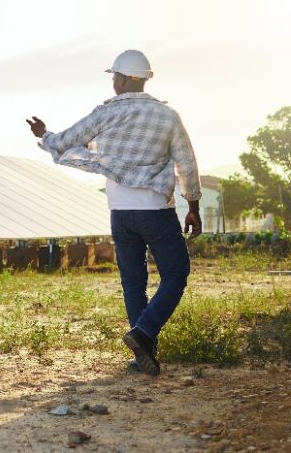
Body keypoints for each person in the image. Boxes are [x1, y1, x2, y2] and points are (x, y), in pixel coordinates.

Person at [25, 50, 201, 376]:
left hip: (120, 211)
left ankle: (142, 350)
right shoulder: (168, 116)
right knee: (175, 275)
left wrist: (44, 135)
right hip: (156, 211)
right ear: (144, 79)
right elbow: (186, 163)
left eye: (114, 77)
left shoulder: (105, 113)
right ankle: (144, 334)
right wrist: (193, 206)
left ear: (121, 78)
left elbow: (66, 140)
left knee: (134, 282)